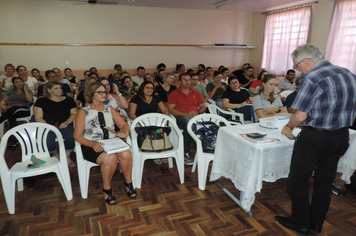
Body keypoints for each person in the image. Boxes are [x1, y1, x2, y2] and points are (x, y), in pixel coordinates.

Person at [276, 44, 356, 235]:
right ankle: (316, 223)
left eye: (297, 66)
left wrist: (288, 127)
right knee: (324, 182)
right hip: (341, 136)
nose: (297, 70)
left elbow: (300, 116)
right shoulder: (347, 73)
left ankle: (300, 222)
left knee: (297, 180)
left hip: (316, 137)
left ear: (306, 61)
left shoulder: (312, 77)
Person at [74, 82, 136, 204]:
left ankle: (128, 183)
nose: (104, 94)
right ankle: (106, 189)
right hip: (91, 145)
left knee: (126, 154)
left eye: (105, 92)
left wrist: (124, 133)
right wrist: (92, 144)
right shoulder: (84, 112)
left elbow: (124, 125)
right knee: (110, 158)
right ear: (91, 94)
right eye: (100, 92)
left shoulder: (109, 109)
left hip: (112, 142)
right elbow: (77, 136)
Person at [33, 81, 77, 168]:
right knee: (47, 140)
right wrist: (48, 127)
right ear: (49, 90)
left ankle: (67, 156)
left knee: (71, 136)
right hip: (47, 125)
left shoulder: (69, 100)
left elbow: (74, 114)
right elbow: (38, 117)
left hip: (65, 124)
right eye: (56, 88)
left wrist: (67, 122)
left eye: (60, 88)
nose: (60, 90)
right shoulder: (41, 101)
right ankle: (55, 155)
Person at [168, 73, 206, 165]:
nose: (187, 82)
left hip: (196, 116)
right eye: (185, 80)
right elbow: (171, 110)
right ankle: (186, 153)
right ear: (180, 82)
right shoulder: (174, 94)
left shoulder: (196, 93)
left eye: (189, 80)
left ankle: (203, 150)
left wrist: (198, 113)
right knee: (190, 126)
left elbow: (203, 106)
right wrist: (186, 114)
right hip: (181, 117)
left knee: (208, 126)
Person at [0, 77, 33, 146]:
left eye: (20, 81)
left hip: (24, 110)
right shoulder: (11, 91)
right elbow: (3, 101)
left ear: (23, 82)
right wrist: (2, 106)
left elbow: (30, 100)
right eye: (16, 82)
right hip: (11, 111)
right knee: (11, 116)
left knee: (13, 108)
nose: (19, 84)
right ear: (14, 84)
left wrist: (25, 89)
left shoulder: (28, 90)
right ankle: (15, 138)